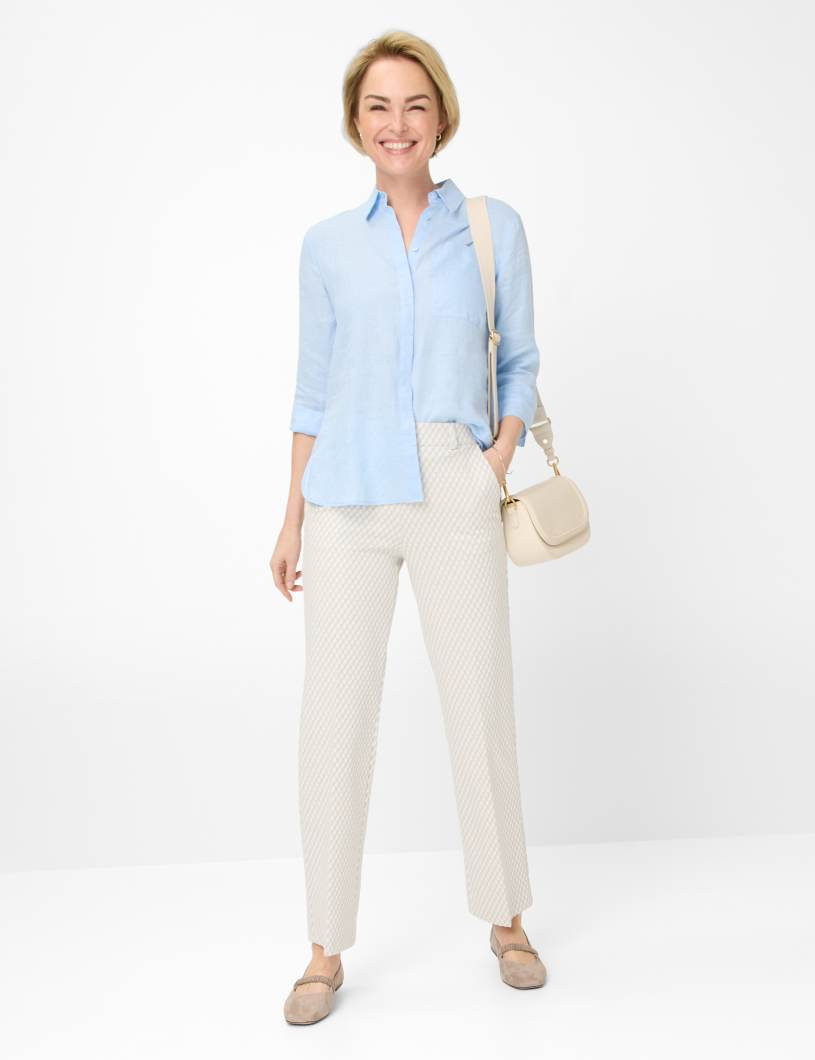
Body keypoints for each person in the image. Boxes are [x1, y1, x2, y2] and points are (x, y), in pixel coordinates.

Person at [270, 29, 547, 1026]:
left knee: (479, 702)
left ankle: (506, 918)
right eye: (378, 106)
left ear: (441, 117)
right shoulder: (326, 245)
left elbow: (517, 362)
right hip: (344, 499)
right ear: (357, 122)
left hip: (451, 481)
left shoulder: (489, 228)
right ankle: (323, 944)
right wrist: (290, 517)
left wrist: (491, 463)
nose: (397, 123)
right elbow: (312, 390)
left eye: (414, 104)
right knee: (333, 719)